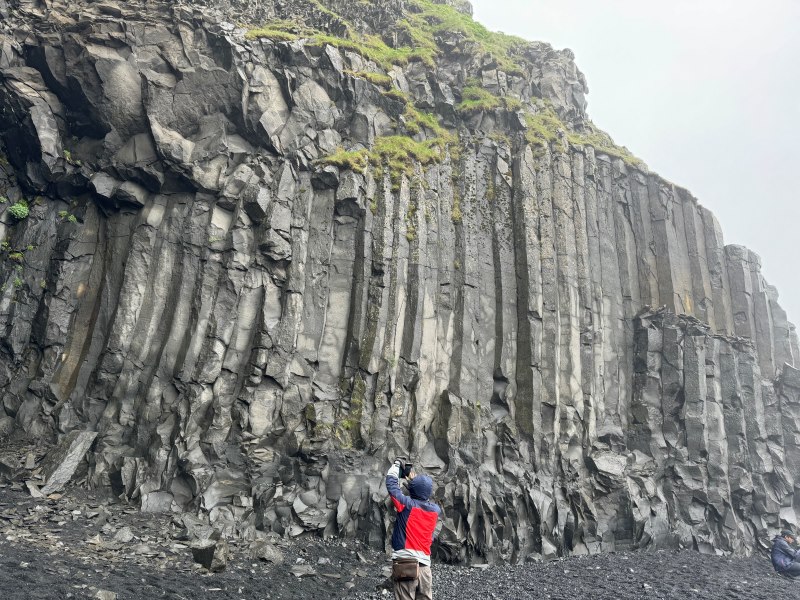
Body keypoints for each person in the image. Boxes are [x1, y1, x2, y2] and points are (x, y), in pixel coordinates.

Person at [385, 460, 441, 600]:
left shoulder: (406, 505)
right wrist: (414, 485)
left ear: (412, 490)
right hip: (425, 570)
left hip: (406, 566)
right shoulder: (435, 511)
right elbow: (423, 497)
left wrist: (397, 465)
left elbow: (391, 486)